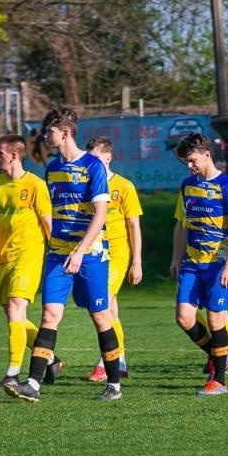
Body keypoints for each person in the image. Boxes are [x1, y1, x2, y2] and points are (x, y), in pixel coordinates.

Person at [9, 108, 123, 402]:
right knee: (49, 314)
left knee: (101, 317)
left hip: (91, 254)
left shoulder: (93, 166)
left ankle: (114, 384)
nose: (45, 136)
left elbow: (100, 215)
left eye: (49, 131)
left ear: (65, 132)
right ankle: (33, 384)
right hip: (58, 254)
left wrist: (80, 252)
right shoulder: (52, 169)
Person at [0, 134, 51, 388]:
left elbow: (48, 222)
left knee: (16, 308)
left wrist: (60, 253)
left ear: (14, 155)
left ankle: (12, 374)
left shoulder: (36, 185)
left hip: (29, 255)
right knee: (13, 314)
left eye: (0, 153)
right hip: (3, 257)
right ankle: (51, 359)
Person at [171, 134, 228, 395]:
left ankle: (219, 380)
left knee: (215, 319)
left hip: (218, 263)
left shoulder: (227, 186)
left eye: (192, 160)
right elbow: (182, 225)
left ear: (206, 155)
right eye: (186, 162)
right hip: (192, 262)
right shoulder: (187, 186)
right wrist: (176, 258)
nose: (190, 166)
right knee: (184, 317)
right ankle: (219, 356)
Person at [84, 137, 144, 382]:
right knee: (109, 309)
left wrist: (137, 261)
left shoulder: (124, 186)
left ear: (108, 157)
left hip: (117, 253)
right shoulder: (86, 186)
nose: (91, 163)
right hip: (95, 252)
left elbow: (134, 225)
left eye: (95, 158)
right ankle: (119, 361)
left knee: (102, 305)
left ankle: (106, 362)